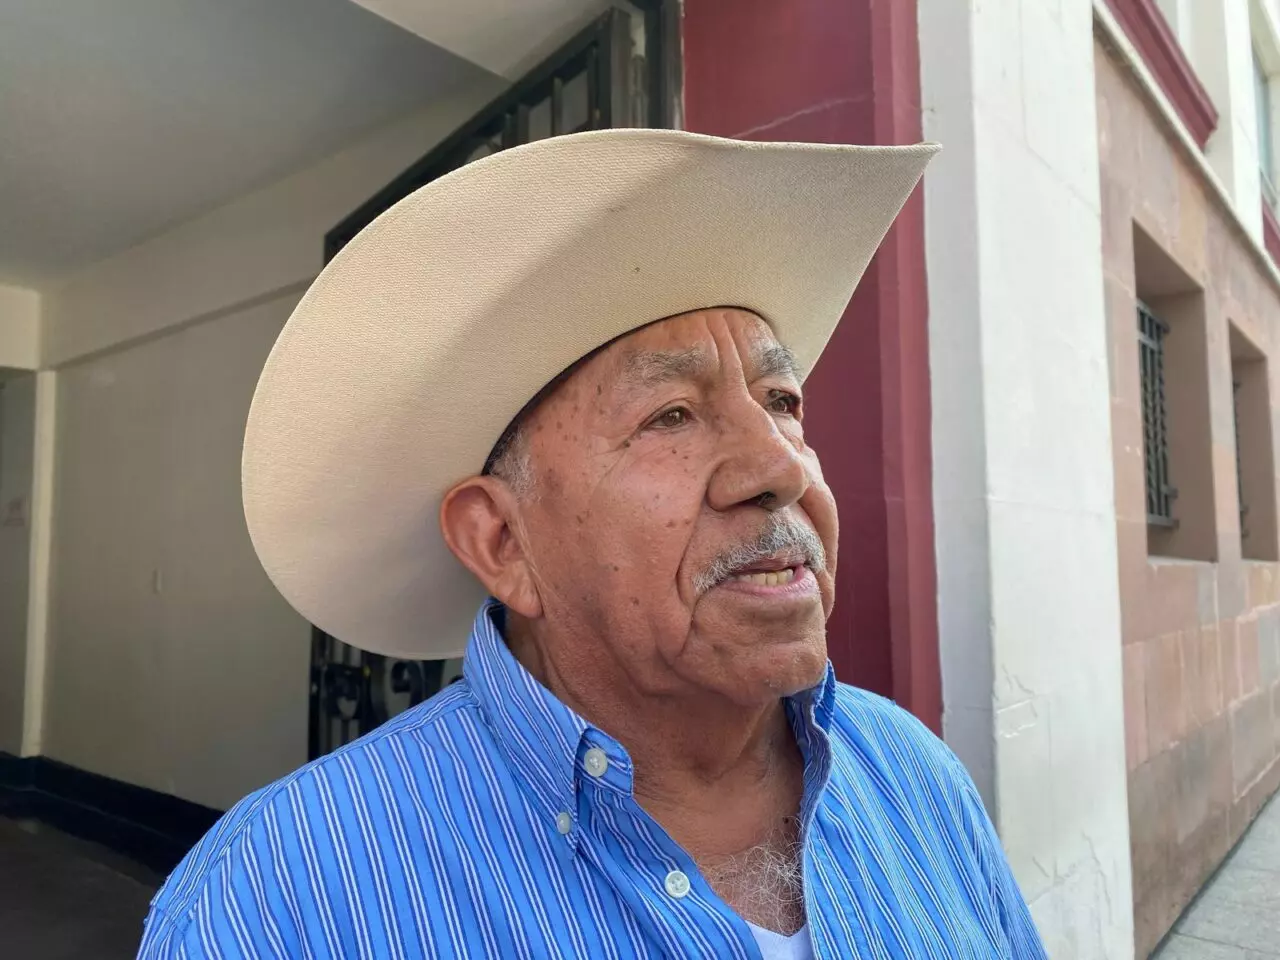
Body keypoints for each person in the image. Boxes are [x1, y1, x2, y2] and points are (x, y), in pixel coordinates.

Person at [138, 129, 1047, 959]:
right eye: (671, 415)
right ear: (503, 543)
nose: (781, 467)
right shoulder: (283, 901)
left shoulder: (913, 775)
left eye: (781, 402)